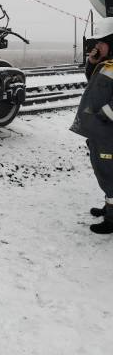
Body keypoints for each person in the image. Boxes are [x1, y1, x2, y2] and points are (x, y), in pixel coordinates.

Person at [71, 17, 113, 234]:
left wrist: (101, 115)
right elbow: (92, 80)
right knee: (104, 171)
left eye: (101, 42)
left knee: (110, 174)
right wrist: (92, 61)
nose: (97, 46)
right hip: (100, 131)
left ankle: (112, 218)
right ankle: (109, 207)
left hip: (108, 133)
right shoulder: (108, 64)